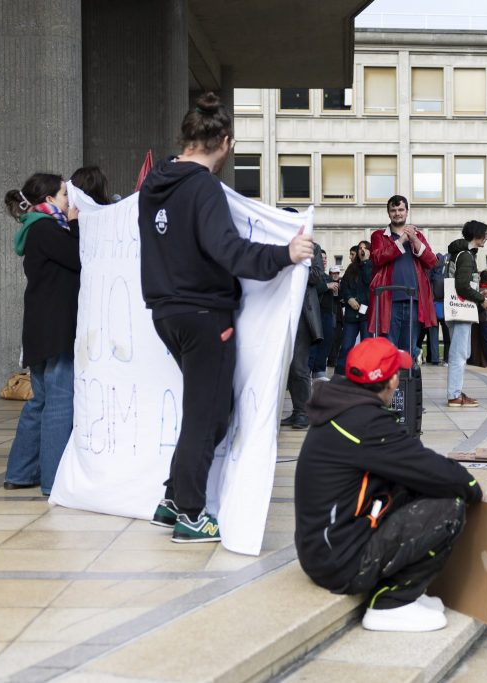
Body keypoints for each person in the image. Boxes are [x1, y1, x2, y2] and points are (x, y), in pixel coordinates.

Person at [139, 92, 313, 542]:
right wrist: (285, 254)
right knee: (210, 412)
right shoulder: (203, 188)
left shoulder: (156, 185)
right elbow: (228, 250)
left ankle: (174, 498)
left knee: (203, 407)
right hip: (204, 313)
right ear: (226, 142)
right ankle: (191, 514)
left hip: (166, 313)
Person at [294, 337, 482, 632]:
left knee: (412, 487)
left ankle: (406, 593)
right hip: (339, 562)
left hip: (324, 547)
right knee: (449, 506)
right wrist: (471, 486)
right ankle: (391, 602)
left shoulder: (341, 407)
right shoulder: (365, 423)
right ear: (392, 381)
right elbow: (430, 468)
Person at [3, 173, 80, 495]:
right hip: (56, 328)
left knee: (41, 402)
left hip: (40, 329)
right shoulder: (48, 229)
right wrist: (76, 224)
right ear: (48, 200)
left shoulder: (35, 229)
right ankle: (52, 480)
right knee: (59, 402)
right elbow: (77, 258)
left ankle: (20, 473)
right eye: (64, 195)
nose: (69, 201)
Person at [368, 195, 437, 356]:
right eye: (393, 210)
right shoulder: (378, 235)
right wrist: (402, 240)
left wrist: (413, 239)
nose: (397, 213)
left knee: (409, 350)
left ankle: (406, 381)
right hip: (388, 300)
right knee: (388, 349)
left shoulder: (417, 235)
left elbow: (432, 261)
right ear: (388, 213)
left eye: (400, 210)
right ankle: (389, 382)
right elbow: (378, 258)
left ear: (407, 211)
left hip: (414, 300)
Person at [446, 220, 487, 408]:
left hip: (458, 309)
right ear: (477, 235)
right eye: (485, 234)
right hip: (460, 311)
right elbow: (462, 286)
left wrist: (480, 294)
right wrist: (481, 299)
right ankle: (454, 395)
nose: (486, 238)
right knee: (459, 353)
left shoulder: (463, 253)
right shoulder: (466, 256)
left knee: (462, 352)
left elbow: (463, 285)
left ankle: (456, 392)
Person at [282, 238, 326, 429]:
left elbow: (316, 276)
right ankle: (298, 410)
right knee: (287, 368)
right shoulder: (276, 245)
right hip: (278, 313)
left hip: (301, 314)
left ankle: (304, 412)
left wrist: (294, 262)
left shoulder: (313, 248)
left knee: (299, 366)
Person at [337, 241, 373, 374]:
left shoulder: (372, 266)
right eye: (360, 248)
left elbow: (369, 281)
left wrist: (366, 262)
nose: (362, 250)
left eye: (365, 248)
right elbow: (344, 287)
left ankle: (366, 374)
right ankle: (340, 374)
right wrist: (349, 299)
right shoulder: (351, 268)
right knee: (346, 346)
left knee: (366, 347)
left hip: (366, 314)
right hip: (351, 314)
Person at [309, 260, 341, 381]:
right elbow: (312, 290)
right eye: (320, 257)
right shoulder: (315, 275)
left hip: (330, 314)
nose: (323, 260)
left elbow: (337, 301)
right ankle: (307, 371)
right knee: (314, 342)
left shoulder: (330, 279)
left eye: (325, 258)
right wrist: (327, 286)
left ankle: (319, 372)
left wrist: (337, 293)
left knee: (326, 343)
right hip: (316, 313)